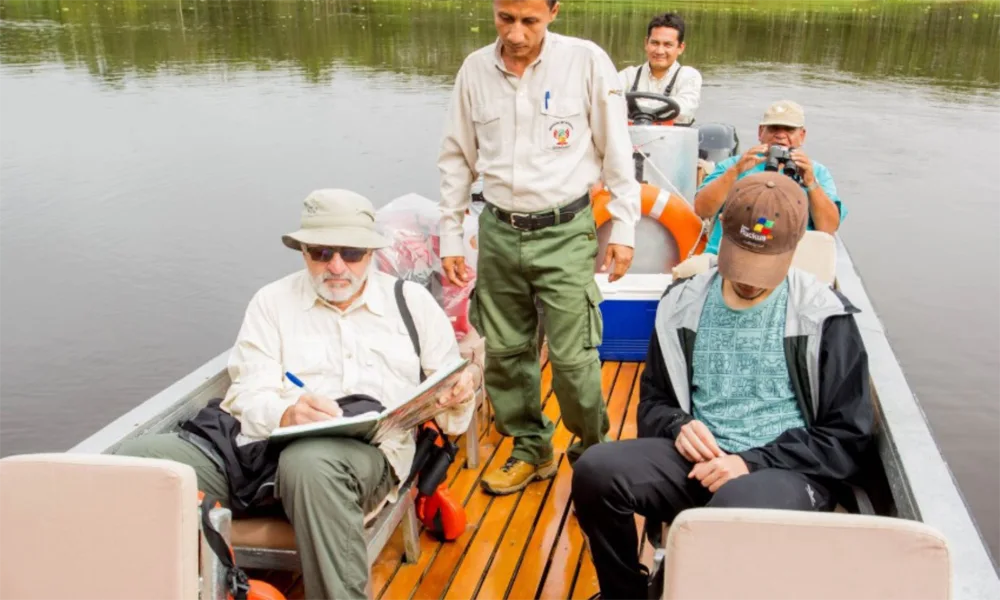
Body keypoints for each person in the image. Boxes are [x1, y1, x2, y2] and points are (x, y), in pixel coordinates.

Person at [116, 189, 477, 600]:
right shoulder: (270, 303)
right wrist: (286, 413)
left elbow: (452, 413)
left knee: (309, 463)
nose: (336, 265)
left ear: (372, 252)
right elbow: (247, 393)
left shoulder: (412, 304)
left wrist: (460, 394)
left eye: (351, 252)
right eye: (322, 252)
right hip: (256, 451)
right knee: (131, 462)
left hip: (363, 460)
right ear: (303, 252)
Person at [572, 172, 874, 600]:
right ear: (720, 238)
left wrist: (750, 462)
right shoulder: (680, 304)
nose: (750, 280)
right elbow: (653, 402)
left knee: (732, 507)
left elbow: (847, 437)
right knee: (595, 471)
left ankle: (674, 588)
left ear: (792, 252)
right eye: (742, 262)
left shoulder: (824, 316)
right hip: (701, 462)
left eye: (764, 267)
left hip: (785, 471)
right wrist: (678, 424)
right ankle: (624, 594)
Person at [437, 0, 641, 495]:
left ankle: (593, 456)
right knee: (506, 354)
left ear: (553, 10)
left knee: (574, 361)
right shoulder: (473, 71)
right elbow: (456, 158)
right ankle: (532, 449)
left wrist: (624, 230)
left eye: (529, 20)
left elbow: (617, 151)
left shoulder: (586, 61)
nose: (516, 34)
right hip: (500, 230)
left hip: (566, 230)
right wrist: (450, 234)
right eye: (505, 19)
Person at [695, 100, 845, 255]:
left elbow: (828, 228)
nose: (780, 136)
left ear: (802, 136)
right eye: (773, 129)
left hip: (792, 259)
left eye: (789, 130)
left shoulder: (817, 172)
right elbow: (702, 210)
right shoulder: (733, 164)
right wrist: (736, 172)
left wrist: (811, 183)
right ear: (761, 132)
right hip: (728, 255)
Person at [617, 12, 702, 125]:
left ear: (680, 48)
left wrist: (632, 106)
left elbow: (685, 109)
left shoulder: (689, 76)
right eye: (655, 43)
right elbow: (607, 98)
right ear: (646, 43)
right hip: (633, 140)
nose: (659, 51)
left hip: (675, 140)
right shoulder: (628, 75)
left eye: (667, 45)